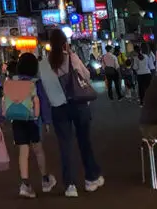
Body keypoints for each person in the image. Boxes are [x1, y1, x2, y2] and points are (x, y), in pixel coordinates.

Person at [38, 28, 103, 197]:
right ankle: (90, 179)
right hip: (78, 105)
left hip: (58, 109)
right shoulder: (71, 58)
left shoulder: (43, 64)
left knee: (65, 146)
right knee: (84, 142)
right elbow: (87, 76)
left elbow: (43, 87)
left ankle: (70, 186)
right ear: (64, 42)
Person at [1, 52, 56, 198]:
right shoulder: (36, 82)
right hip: (33, 121)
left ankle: (25, 185)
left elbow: (6, 101)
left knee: (23, 153)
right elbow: (43, 102)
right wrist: (47, 121)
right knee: (38, 150)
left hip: (17, 121)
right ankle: (45, 180)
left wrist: (1, 119)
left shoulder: (12, 81)